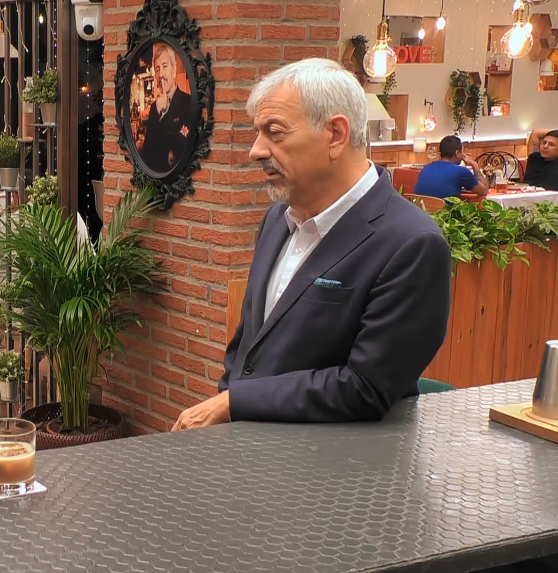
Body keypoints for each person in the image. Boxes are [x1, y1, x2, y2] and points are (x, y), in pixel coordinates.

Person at [172, 58, 451, 429]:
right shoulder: (277, 219)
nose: (255, 151)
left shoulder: (412, 244)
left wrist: (235, 402)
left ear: (335, 135)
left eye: (274, 132)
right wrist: (229, 415)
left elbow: (364, 387)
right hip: (248, 452)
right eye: (257, 133)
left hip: (337, 463)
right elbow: (248, 346)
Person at [139, 42, 192, 174]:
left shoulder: (188, 102)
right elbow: (147, 153)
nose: (161, 73)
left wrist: (163, 115)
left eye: (164, 66)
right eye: (157, 69)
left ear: (174, 70)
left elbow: (185, 148)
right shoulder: (154, 107)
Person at [412, 135, 489, 198]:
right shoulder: (461, 171)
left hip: (420, 210)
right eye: (462, 151)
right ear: (457, 153)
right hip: (444, 211)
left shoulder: (426, 168)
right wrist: (475, 165)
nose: (464, 155)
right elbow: (484, 191)